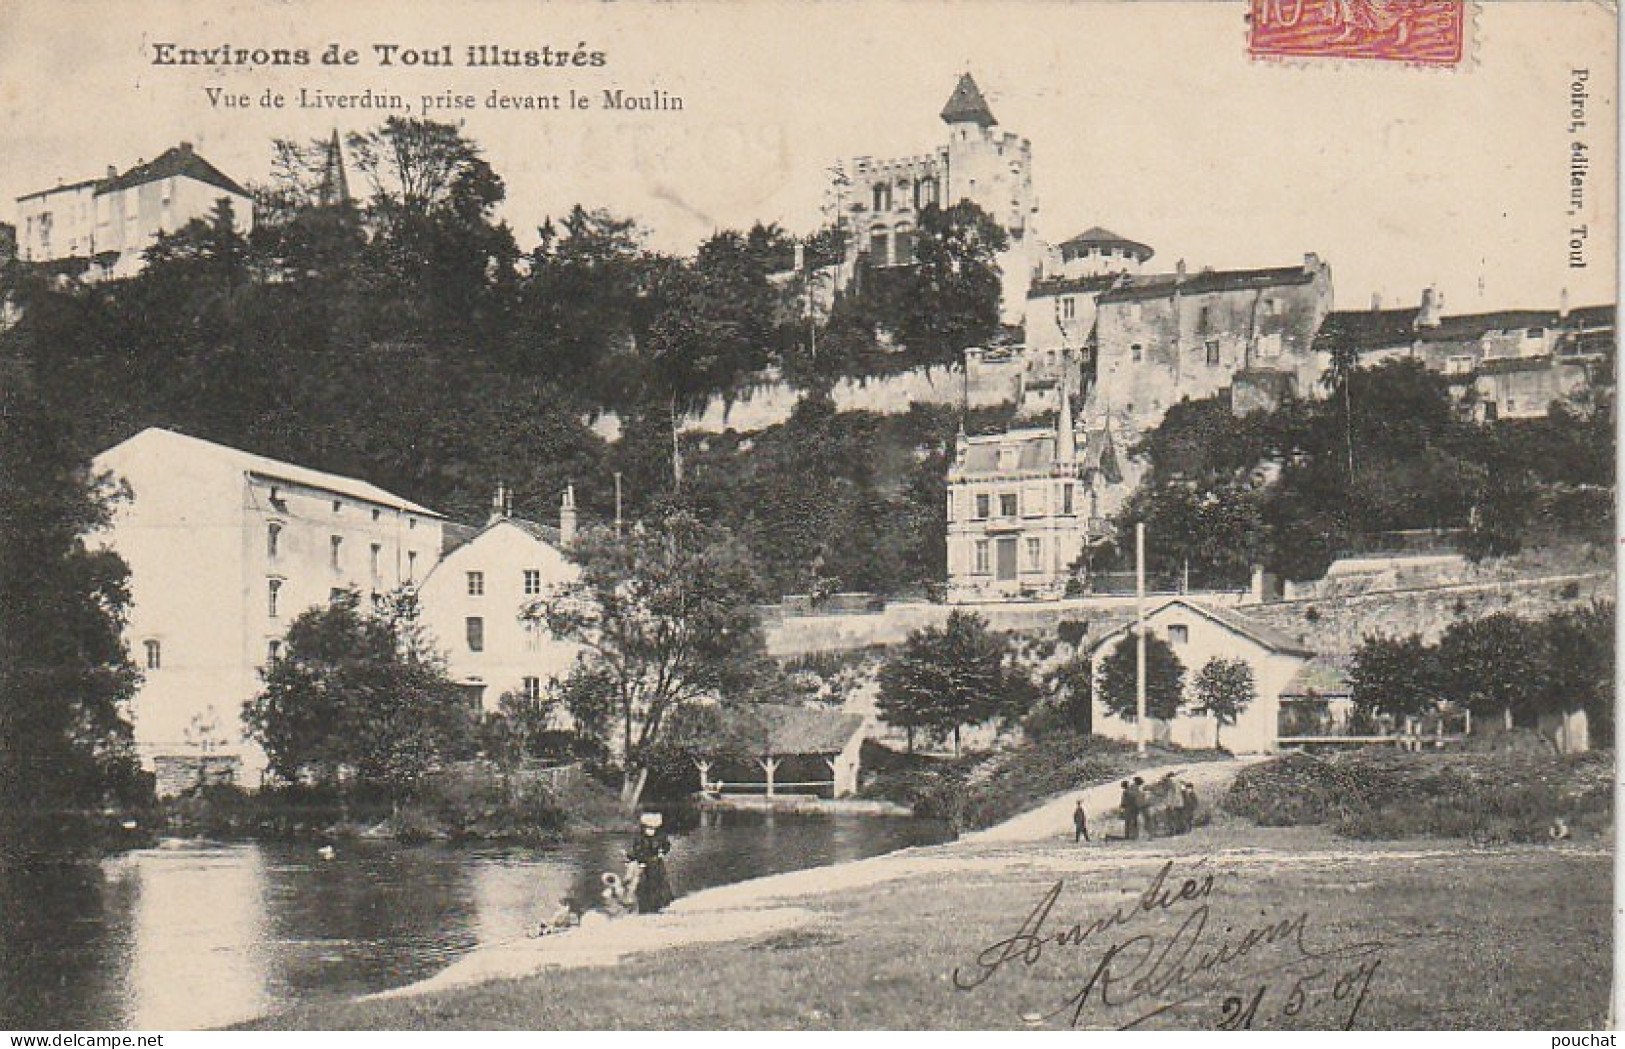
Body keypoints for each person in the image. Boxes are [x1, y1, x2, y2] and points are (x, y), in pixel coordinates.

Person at [626, 811, 675, 914]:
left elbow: (667, 846)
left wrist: (663, 852)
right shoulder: (639, 838)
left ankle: (662, 905)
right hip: (644, 865)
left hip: (657, 864)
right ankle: (645, 908)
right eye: (648, 828)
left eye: (653, 828)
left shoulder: (660, 836)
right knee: (644, 886)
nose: (650, 831)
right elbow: (636, 851)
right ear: (644, 828)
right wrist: (638, 861)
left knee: (660, 884)